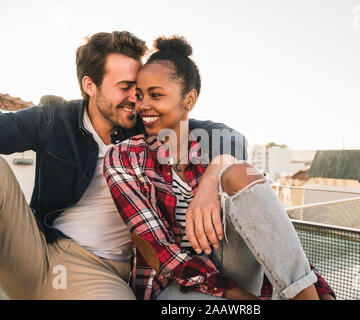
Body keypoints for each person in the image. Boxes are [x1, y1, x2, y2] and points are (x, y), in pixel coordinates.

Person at [0, 31, 248, 299]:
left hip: (104, 274)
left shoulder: (151, 124)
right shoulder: (54, 118)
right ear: (90, 86)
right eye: (125, 87)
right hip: (39, 252)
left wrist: (211, 182)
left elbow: (231, 137)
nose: (136, 98)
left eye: (139, 88)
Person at [104, 36, 336, 300]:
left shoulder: (215, 151)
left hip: (239, 270)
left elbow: (269, 233)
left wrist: (319, 289)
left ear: (189, 99)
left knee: (242, 172)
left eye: (156, 95)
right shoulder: (123, 157)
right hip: (178, 285)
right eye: (140, 95)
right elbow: (160, 253)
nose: (144, 105)